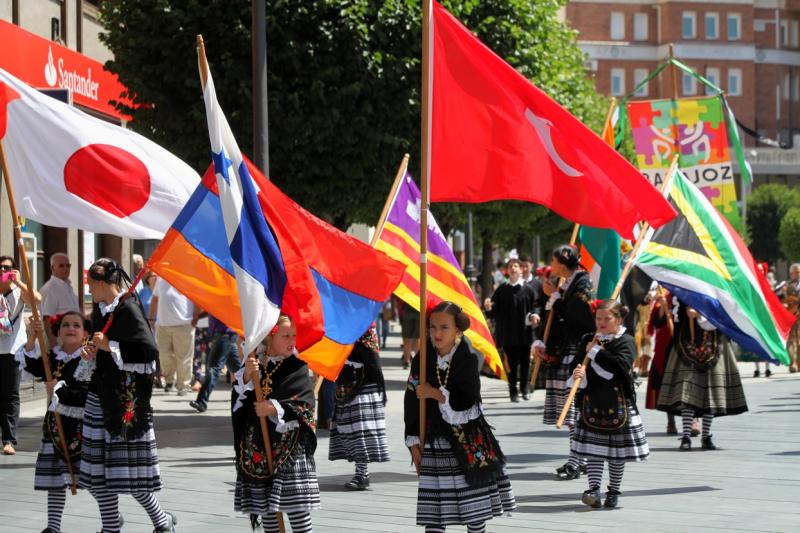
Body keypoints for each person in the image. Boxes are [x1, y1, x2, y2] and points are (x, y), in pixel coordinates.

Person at [79, 258, 176, 533]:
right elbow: (99, 346)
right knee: (98, 475)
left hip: (124, 405)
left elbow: (149, 356)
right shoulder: (101, 310)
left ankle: (162, 522)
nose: (90, 290)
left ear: (100, 284)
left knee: (131, 477)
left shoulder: (128, 308)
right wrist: (92, 350)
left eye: (90, 285)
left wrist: (110, 346)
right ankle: (111, 526)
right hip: (99, 398)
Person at [405, 302, 515, 533]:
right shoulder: (422, 359)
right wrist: (414, 442)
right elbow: (411, 402)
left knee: (473, 508)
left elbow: (469, 400)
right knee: (434, 512)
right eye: (432, 327)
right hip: (434, 442)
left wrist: (434, 393)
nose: (437, 333)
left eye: (444, 327)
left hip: (466, 442)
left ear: (458, 330)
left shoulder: (467, 359)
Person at [232, 315, 319, 532]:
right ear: (271, 338)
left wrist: (274, 409)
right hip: (260, 448)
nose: (292, 340)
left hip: (289, 451)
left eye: (294, 336)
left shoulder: (297, 366)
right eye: (286, 335)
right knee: (268, 514)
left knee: (298, 512)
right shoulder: (255, 363)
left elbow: (306, 405)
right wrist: (247, 378)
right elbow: (238, 404)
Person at [16, 312, 92, 533]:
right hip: (54, 426)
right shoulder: (54, 357)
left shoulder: (88, 359)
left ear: (85, 333)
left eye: (76, 325)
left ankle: (112, 517)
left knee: (90, 479)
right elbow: (31, 365)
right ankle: (53, 527)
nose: (70, 328)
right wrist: (33, 335)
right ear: (58, 332)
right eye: (66, 325)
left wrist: (59, 390)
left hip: (80, 428)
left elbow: (87, 395)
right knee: (55, 480)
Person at [570, 300, 649, 509]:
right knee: (594, 450)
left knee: (616, 453)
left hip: (618, 403)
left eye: (607, 318)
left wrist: (595, 352)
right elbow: (576, 363)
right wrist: (578, 372)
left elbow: (621, 367)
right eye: (598, 318)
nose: (602, 322)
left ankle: (613, 491)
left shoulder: (626, 341)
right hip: (592, 402)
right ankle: (593, 490)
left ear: (619, 319)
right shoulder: (589, 338)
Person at [533, 245, 595, 480]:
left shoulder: (582, 283)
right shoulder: (564, 283)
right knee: (569, 411)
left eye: (554, 260)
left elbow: (580, 316)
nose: (552, 264)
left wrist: (556, 300)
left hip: (574, 352)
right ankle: (579, 459)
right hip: (562, 351)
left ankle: (577, 461)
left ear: (562, 262)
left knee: (572, 410)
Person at [656, 301, 748, 451]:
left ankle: (706, 436)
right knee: (686, 392)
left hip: (715, 344)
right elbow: (675, 319)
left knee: (711, 393)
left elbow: (726, 313)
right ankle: (686, 436)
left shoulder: (718, 292)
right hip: (685, 344)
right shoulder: (682, 295)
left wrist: (701, 313)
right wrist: (683, 311)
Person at [329, 326, 389, 490]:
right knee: (348, 430)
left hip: (363, 382)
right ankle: (361, 471)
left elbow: (372, 358)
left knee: (360, 431)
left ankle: (362, 473)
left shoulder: (365, 326)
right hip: (344, 381)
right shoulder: (340, 322)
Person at [1, 255, 40, 456]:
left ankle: (8, 439)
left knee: (10, 395)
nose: (3, 270)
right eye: (0, 267)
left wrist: (19, 281)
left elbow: (37, 299)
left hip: (13, 349)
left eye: (7, 267)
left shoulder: (18, 290)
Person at [484, 258, 538, 402]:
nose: (513, 268)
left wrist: (535, 315)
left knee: (525, 362)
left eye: (516, 266)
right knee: (511, 364)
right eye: (510, 266)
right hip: (508, 333)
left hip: (524, 332)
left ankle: (524, 389)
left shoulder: (528, 289)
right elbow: (494, 310)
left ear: (521, 269)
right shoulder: (502, 289)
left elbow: (535, 306)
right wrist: (489, 308)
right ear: (507, 271)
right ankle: (513, 390)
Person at [149, 277, 198, 395]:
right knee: (164, 355)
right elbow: (155, 299)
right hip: (162, 325)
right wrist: (150, 318)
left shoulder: (189, 279)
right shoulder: (160, 279)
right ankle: (169, 380)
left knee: (184, 358)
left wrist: (196, 317)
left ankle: (184, 385)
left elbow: (196, 300)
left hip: (184, 324)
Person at [189, 314, 242, 413]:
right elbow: (210, 307)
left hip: (224, 334)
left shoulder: (225, 298)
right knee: (239, 370)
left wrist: (198, 316)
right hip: (226, 334)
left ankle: (201, 402)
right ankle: (256, 394)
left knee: (213, 368)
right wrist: (198, 316)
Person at [40, 253, 80, 348]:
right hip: (59, 341)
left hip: (73, 338)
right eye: (61, 266)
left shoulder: (67, 286)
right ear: (52, 268)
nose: (66, 268)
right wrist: (53, 343)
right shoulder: (51, 288)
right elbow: (46, 319)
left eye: (68, 265)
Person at [398, 297, 420, 370]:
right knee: (417, 338)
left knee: (407, 338)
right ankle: (417, 361)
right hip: (419, 309)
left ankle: (406, 361)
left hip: (407, 309)